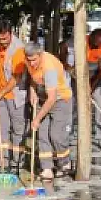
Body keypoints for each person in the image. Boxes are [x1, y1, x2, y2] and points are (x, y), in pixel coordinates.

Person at [25, 42, 73, 180]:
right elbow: (33, 76)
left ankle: (65, 163)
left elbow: (51, 99)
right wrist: (32, 91)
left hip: (60, 100)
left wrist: (37, 119)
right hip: (42, 97)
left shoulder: (49, 67)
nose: (31, 63)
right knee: (43, 134)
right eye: (29, 60)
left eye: (34, 60)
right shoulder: (28, 59)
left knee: (56, 135)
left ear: (40, 55)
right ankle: (47, 168)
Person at [0, 20, 28, 173]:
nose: (3, 42)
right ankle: (2, 164)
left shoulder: (18, 49)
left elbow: (16, 77)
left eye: (5, 39)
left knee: (18, 130)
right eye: (0, 39)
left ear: (11, 34)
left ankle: (16, 163)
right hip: (0, 96)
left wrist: (1, 92)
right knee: (2, 129)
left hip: (16, 96)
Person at [86, 29, 101, 149]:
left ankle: (100, 137)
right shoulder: (82, 42)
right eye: (95, 43)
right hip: (80, 78)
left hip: (96, 79)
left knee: (100, 106)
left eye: (99, 44)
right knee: (74, 105)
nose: (97, 46)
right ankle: (71, 134)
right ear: (91, 37)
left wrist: (91, 87)